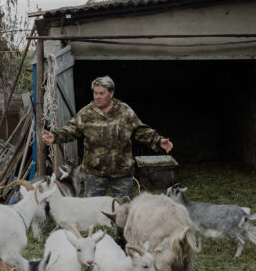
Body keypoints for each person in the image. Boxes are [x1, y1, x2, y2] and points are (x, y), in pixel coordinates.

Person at [42, 75, 173, 198]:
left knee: (124, 207)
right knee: (92, 209)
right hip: (94, 172)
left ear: (111, 94)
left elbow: (140, 130)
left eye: (101, 93)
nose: (97, 97)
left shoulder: (124, 111)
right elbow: (72, 129)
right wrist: (55, 136)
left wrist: (158, 140)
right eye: (95, 93)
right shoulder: (86, 113)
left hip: (122, 171)